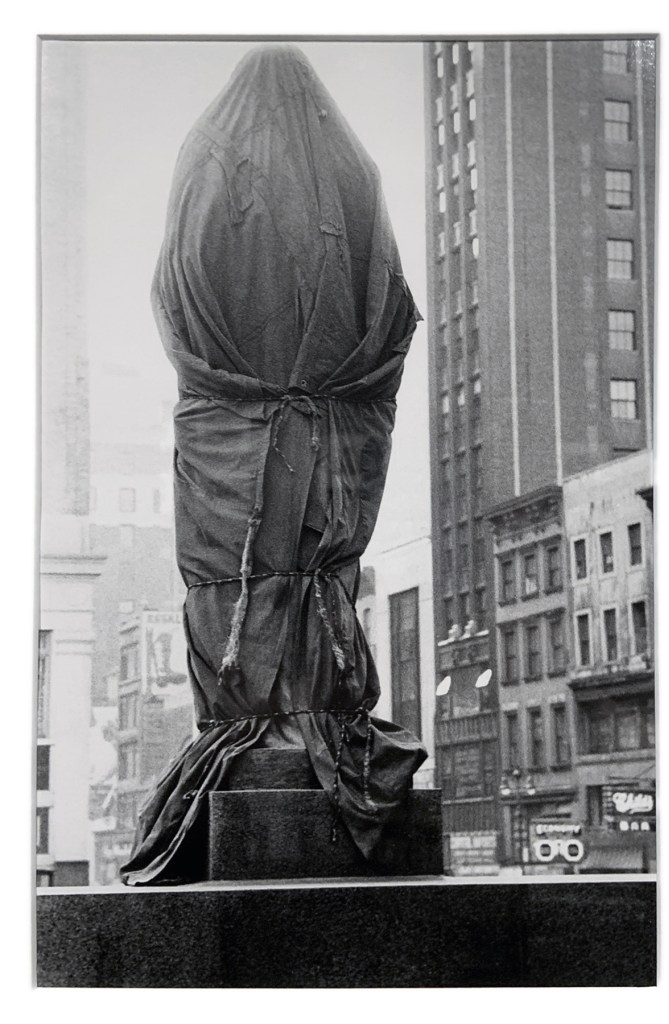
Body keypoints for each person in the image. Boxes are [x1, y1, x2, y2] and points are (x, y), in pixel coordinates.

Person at [121, 44, 426, 885]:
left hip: (243, 415)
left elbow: (180, 282)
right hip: (320, 415)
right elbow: (390, 306)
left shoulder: (212, 153)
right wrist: (332, 387)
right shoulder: (350, 167)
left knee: (253, 569)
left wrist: (233, 383)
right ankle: (297, 720)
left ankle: (263, 722)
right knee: (303, 563)